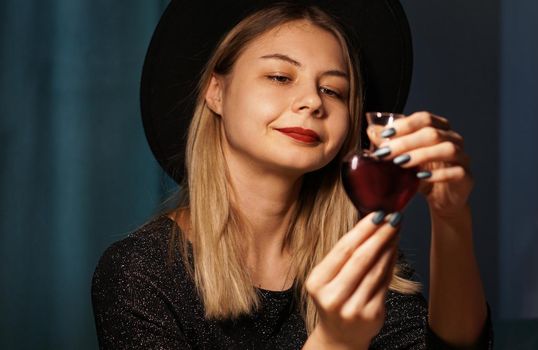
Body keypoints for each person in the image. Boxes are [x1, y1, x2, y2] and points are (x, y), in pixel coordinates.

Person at [91, 1, 492, 349]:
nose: (312, 102)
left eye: (334, 91)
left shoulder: (355, 255)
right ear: (216, 92)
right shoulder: (139, 272)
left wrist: (451, 217)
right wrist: (336, 342)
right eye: (281, 77)